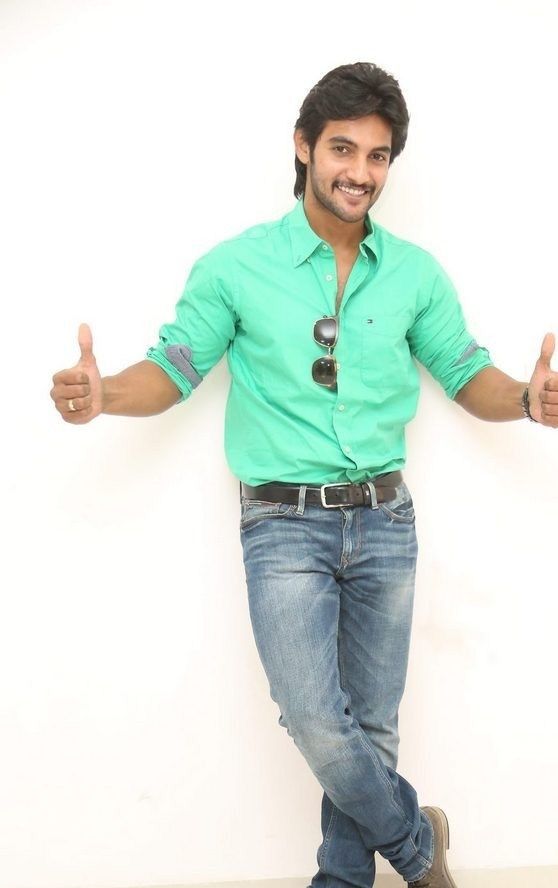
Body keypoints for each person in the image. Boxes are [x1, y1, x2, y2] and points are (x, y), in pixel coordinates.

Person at [50, 62, 558, 888]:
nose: (360, 171)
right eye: (343, 149)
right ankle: (419, 847)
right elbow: (174, 367)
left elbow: (468, 373)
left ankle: (342, 879)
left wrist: (529, 402)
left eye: (378, 156)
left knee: (373, 727)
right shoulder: (234, 267)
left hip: (386, 520)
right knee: (318, 720)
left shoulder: (416, 274)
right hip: (282, 526)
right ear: (303, 146)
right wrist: (103, 393)